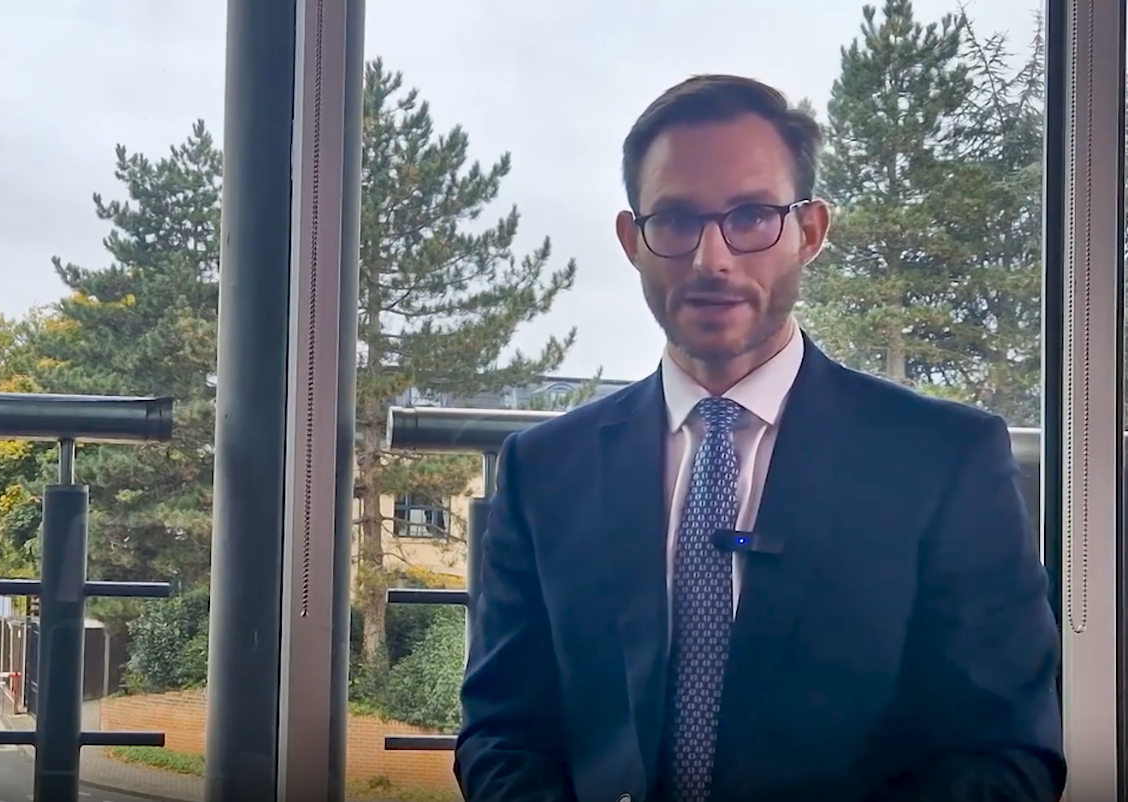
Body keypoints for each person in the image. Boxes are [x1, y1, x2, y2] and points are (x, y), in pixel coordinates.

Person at [455, 74, 1064, 802]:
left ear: (809, 231)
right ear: (632, 240)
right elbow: (501, 731)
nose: (713, 257)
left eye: (751, 216)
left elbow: (1006, 750)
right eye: (677, 220)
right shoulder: (544, 469)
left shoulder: (942, 462)